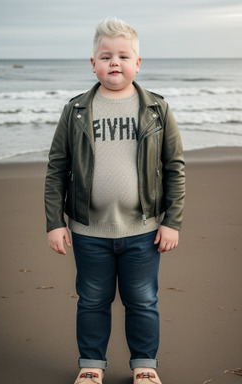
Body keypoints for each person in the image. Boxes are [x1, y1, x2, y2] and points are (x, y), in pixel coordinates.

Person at [44, 17, 185, 384]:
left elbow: (175, 168)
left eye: (124, 56)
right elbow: (56, 168)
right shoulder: (75, 111)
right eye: (106, 56)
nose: (115, 62)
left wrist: (172, 221)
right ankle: (91, 365)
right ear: (93, 63)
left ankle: (144, 365)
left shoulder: (157, 109)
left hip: (144, 229)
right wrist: (54, 222)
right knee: (91, 301)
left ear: (138, 62)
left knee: (142, 301)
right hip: (89, 230)